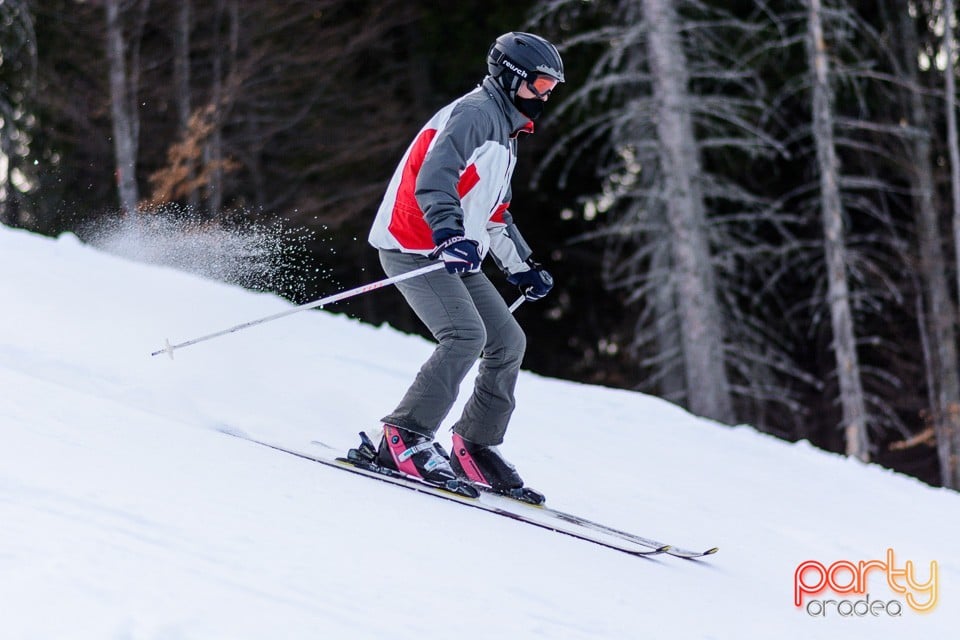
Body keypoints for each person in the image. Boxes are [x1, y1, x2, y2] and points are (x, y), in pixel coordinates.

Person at [366, 32, 564, 498]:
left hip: (455, 251)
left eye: (551, 87)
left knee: (507, 340)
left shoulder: (507, 130)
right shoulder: (476, 115)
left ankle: (473, 444)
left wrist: (521, 267)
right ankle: (404, 437)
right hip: (415, 245)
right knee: (465, 336)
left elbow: (494, 212)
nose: (545, 95)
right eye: (539, 83)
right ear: (511, 76)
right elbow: (435, 180)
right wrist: (450, 234)